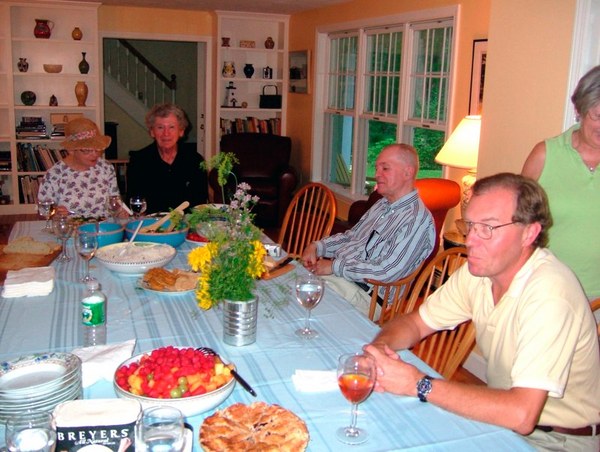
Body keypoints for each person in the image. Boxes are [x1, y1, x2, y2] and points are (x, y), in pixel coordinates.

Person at [364, 173, 600, 451]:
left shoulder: (550, 294)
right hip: (502, 423)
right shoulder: (479, 272)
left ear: (529, 233)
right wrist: (380, 348)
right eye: (471, 225)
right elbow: (416, 323)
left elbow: (522, 415)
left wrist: (418, 384)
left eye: (488, 227)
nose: (471, 240)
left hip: (556, 441)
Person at [301, 143, 435, 316]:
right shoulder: (382, 204)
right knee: (284, 289)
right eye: (377, 168)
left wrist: (334, 266)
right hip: (340, 280)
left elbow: (386, 271)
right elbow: (352, 237)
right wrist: (317, 247)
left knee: (298, 308)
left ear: (407, 172)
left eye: (385, 168)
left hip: (365, 296)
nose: (377, 174)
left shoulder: (416, 219)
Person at [522, 65, 600, 304]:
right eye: (598, 116)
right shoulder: (546, 154)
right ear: (579, 110)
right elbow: (517, 220)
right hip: (547, 291)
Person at [127, 103, 208, 214]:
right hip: (151, 222)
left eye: (171, 127)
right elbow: (134, 203)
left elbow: (200, 203)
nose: (166, 133)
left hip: (185, 222)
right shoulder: (138, 161)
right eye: (160, 127)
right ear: (152, 132)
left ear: (181, 131)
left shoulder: (195, 160)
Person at [38, 117, 121, 218]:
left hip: (104, 226)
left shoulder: (106, 168)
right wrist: (56, 212)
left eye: (97, 149)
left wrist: (119, 211)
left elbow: (115, 202)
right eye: (87, 150)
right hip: (70, 227)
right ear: (71, 150)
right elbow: (43, 211)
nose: (95, 154)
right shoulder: (55, 174)